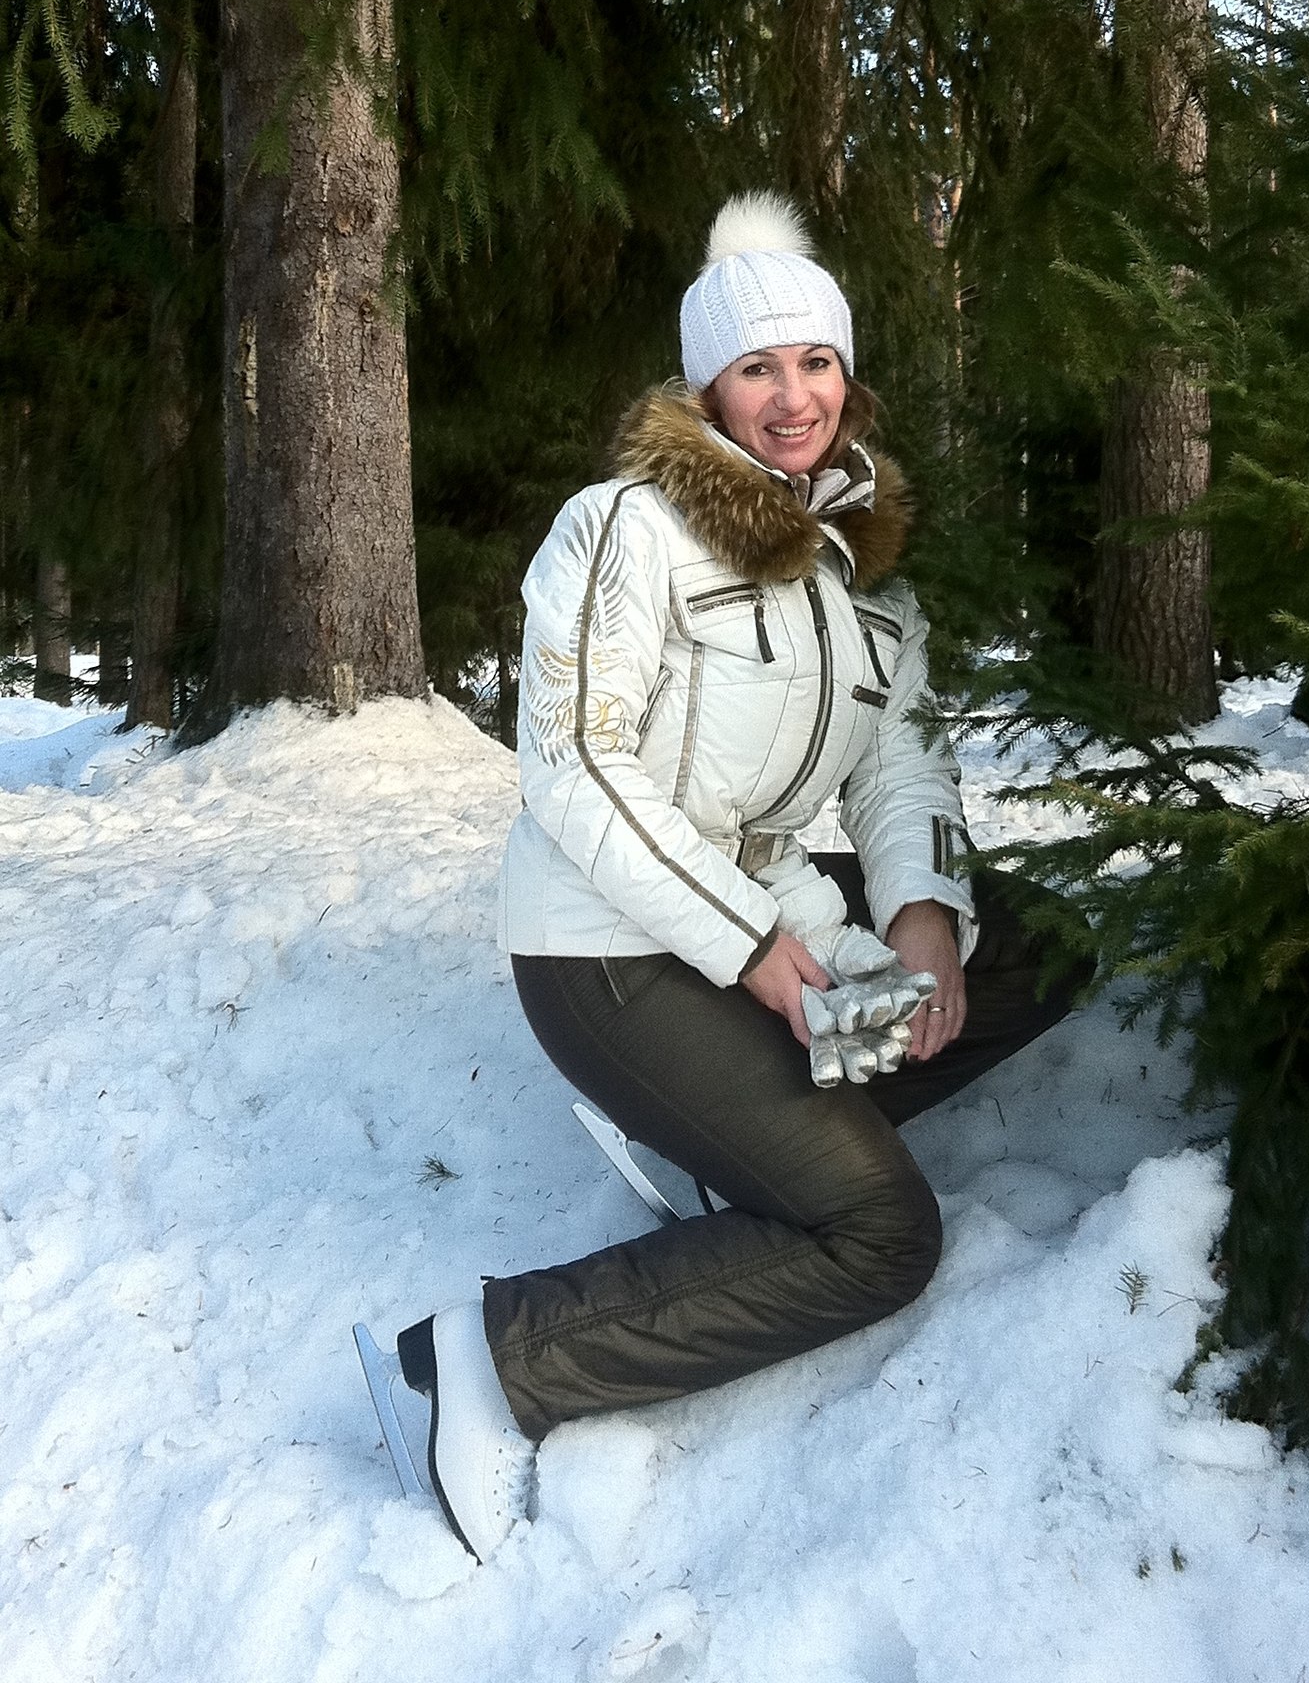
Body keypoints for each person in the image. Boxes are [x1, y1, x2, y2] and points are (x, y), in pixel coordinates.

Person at [361, 193, 1094, 1561]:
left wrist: (923, 924)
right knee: (880, 1236)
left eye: (815, 362)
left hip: (767, 905)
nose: (793, 395)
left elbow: (902, 766)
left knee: (1035, 943)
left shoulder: (862, 570)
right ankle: (497, 1359)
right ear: (709, 387)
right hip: (607, 944)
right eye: (758, 367)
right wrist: (755, 947)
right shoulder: (621, 529)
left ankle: (746, 1139)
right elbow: (577, 769)